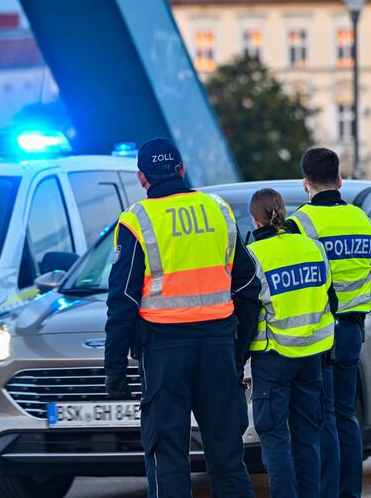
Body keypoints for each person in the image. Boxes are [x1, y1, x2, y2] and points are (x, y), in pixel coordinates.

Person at [104, 138, 260, 498]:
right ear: (182, 170)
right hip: (218, 346)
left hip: (164, 352)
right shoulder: (217, 210)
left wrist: (114, 367)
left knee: (168, 454)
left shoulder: (136, 221)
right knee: (227, 455)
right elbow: (249, 286)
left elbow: (123, 300)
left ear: (142, 178)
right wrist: (237, 351)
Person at [286, 148, 371, 498]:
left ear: (305, 183)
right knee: (345, 415)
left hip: (319, 332)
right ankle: (349, 494)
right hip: (353, 330)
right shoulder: (364, 222)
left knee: (322, 417)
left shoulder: (299, 224)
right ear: (339, 180)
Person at [243, 188, 338, 498]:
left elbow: (246, 314)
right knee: (307, 439)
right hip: (312, 357)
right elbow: (330, 301)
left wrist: (236, 357)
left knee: (274, 439)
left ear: (255, 220)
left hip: (273, 359)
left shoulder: (254, 256)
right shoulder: (313, 248)